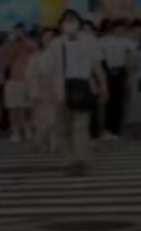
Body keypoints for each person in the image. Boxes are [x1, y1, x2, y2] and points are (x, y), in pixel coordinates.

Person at [51, 10, 109, 176]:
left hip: (83, 88)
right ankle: (70, 159)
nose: (69, 24)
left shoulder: (89, 40)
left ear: (79, 23)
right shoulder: (56, 44)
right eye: (66, 21)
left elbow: (96, 65)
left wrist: (103, 85)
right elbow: (48, 69)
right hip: (61, 90)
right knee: (64, 128)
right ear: (61, 25)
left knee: (80, 127)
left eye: (73, 20)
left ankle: (79, 160)